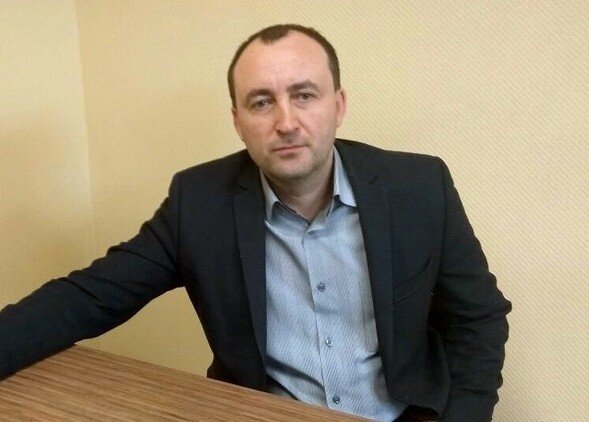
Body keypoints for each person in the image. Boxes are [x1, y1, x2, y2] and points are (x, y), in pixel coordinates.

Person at [0, 24, 511, 421]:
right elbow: (89, 298)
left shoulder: (418, 187)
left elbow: (479, 319)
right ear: (238, 121)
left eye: (304, 95)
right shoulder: (198, 202)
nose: (285, 122)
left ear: (338, 106)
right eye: (261, 102)